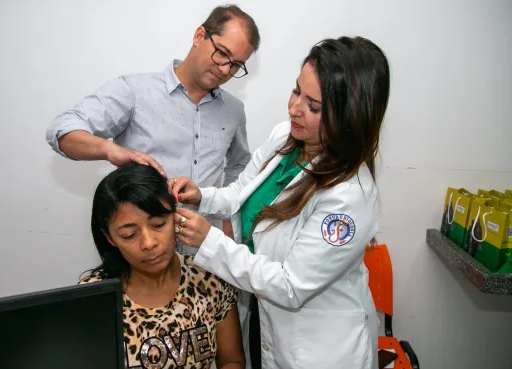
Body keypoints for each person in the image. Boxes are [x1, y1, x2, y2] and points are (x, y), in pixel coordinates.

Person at [169, 36, 391, 369]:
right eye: (296, 91)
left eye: (313, 106)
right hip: (267, 319)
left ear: (350, 118)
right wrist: (202, 196)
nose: (294, 108)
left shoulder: (349, 196)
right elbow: (241, 193)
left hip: (319, 350)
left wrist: (209, 241)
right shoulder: (285, 137)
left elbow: (291, 285)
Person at [46, 5, 261, 253]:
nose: (225, 69)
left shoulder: (234, 110)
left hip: (203, 257)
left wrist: (227, 224)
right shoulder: (135, 91)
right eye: (222, 53)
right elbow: (61, 130)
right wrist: (109, 150)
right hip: (142, 256)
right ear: (200, 36)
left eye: (236, 65)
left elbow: (239, 168)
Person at [79, 163, 245, 369]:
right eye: (129, 235)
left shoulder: (208, 279)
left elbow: (231, 360)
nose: (148, 243)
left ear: (176, 217)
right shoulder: (94, 297)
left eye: (158, 224)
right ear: (109, 237)